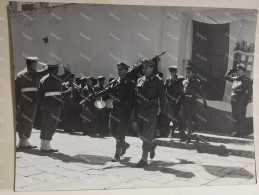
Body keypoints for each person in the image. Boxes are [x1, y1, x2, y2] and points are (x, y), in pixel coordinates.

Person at [88, 63, 135, 162]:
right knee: (113, 131)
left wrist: (128, 112)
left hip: (124, 112)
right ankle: (125, 145)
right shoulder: (115, 82)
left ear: (126, 71)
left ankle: (117, 155)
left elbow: (132, 100)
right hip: (115, 110)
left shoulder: (130, 83)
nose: (120, 71)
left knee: (120, 133)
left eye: (122, 70)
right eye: (119, 69)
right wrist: (95, 95)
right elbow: (107, 90)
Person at [135, 59, 167, 168]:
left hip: (152, 110)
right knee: (140, 133)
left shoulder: (158, 80)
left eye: (146, 67)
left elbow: (163, 98)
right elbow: (136, 97)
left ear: (152, 68)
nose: (144, 70)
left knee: (146, 134)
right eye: (143, 68)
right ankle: (152, 145)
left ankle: (144, 159)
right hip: (141, 110)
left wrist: (163, 113)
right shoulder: (140, 80)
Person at [15, 56, 48, 149]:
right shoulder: (34, 73)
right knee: (29, 120)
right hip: (31, 99)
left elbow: (16, 90)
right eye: (36, 64)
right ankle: (24, 141)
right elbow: (47, 71)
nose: (36, 65)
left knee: (22, 120)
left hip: (22, 100)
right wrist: (45, 66)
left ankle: (22, 140)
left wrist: (16, 103)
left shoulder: (19, 74)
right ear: (33, 64)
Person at [38, 63, 71, 152]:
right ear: (55, 70)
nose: (58, 71)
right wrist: (66, 68)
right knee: (51, 124)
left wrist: (41, 105)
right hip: (54, 103)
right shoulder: (57, 78)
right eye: (57, 70)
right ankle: (47, 146)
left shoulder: (42, 79)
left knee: (44, 124)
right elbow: (68, 74)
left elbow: (39, 94)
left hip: (45, 103)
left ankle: (43, 145)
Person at [178, 65, 206, 144]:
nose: (187, 74)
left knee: (188, 120)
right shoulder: (184, 81)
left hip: (192, 103)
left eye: (189, 72)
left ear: (193, 73)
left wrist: (204, 102)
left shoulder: (197, 82)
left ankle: (188, 138)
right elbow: (182, 93)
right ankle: (193, 126)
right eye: (187, 72)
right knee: (183, 119)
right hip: (184, 103)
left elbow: (201, 93)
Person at [224, 63, 252, 138]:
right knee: (235, 116)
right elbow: (226, 76)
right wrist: (232, 70)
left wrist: (246, 102)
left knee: (241, 116)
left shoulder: (247, 80)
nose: (237, 71)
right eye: (237, 70)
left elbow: (250, 91)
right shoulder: (235, 78)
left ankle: (241, 133)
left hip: (242, 100)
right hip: (233, 99)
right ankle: (236, 132)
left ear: (243, 71)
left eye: (239, 70)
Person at [164, 66, 184, 138]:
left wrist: (179, 99)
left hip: (177, 101)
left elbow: (182, 90)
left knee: (175, 115)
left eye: (173, 71)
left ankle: (178, 126)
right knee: (172, 115)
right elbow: (164, 89)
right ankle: (172, 131)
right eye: (170, 71)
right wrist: (166, 98)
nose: (171, 73)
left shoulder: (180, 79)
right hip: (170, 101)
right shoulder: (167, 79)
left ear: (176, 72)